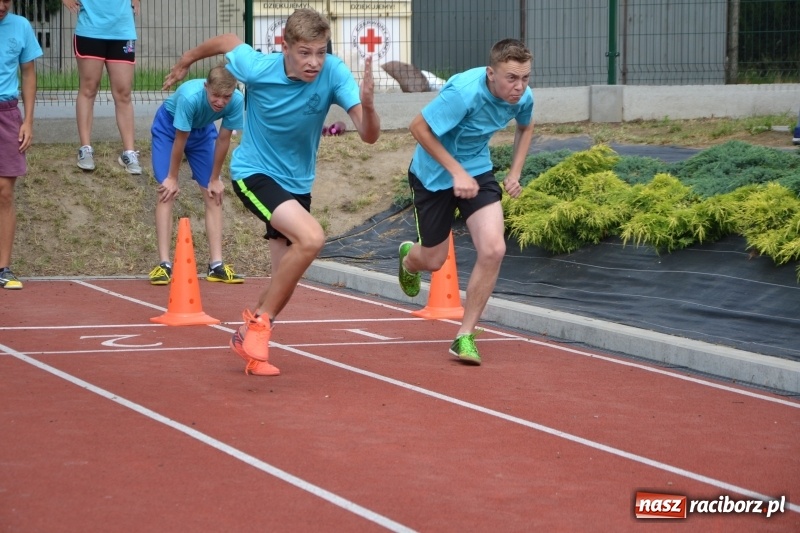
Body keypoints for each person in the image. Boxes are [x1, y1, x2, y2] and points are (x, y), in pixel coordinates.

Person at [163, 8, 380, 376]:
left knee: (284, 280)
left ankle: (247, 337)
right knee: (312, 238)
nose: (314, 62)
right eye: (305, 53)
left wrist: (369, 106)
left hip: (298, 184)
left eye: (321, 52)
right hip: (255, 173)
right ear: (286, 48)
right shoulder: (257, 68)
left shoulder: (334, 72)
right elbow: (228, 41)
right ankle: (260, 326)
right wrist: (186, 60)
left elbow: (369, 135)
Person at [398, 38, 534, 366]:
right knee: (433, 260)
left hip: (476, 170)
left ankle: (465, 335)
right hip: (433, 175)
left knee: (494, 249)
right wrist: (455, 171)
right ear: (491, 73)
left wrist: (515, 172)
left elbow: (526, 126)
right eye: (511, 78)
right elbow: (418, 127)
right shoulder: (463, 93)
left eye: (525, 78)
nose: (519, 87)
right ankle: (409, 259)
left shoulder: (523, 97)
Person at [149, 64, 245, 286]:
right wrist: (173, 178)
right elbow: (180, 140)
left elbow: (223, 140)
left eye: (226, 96)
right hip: (169, 129)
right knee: (166, 191)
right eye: (216, 95)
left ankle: (216, 265)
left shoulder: (237, 100)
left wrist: (215, 178)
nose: (220, 102)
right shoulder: (190, 97)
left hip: (202, 131)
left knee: (213, 194)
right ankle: (164, 264)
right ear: (205, 87)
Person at [62, 0, 141, 174]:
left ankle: (129, 152)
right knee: (88, 89)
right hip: (90, 29)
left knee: (124, 93)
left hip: (122, 30)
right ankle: (85, 149)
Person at [0, 0, 43, 290]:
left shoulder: (21, 26)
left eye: (7, 0)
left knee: (4, 191)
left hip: (7, 113)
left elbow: (28, 73)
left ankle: (3, 267)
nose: (2, 5)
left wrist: (27, 120)